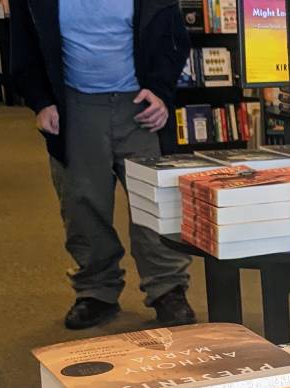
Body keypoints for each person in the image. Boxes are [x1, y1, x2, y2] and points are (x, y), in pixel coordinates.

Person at [10, 0, 197, 329]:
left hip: (139, 106)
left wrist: (160, 92)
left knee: (153, 201)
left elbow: (174, 40)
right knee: (82, 203)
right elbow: (23, 46)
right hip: (76, 106)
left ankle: (168, 288)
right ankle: (96, 291)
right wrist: (40, 101)